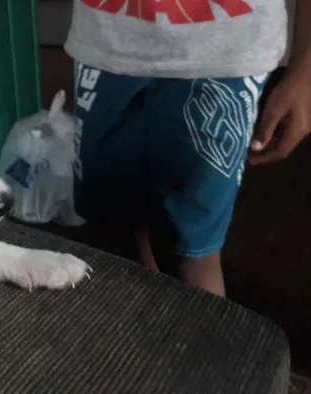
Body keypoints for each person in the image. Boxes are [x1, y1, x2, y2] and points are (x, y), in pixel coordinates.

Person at [64, 0, 311, 296]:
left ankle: (201, 340)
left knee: (193, 250)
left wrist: (305, 73)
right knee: (112, 223)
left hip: (224, 54)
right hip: (105, 44)